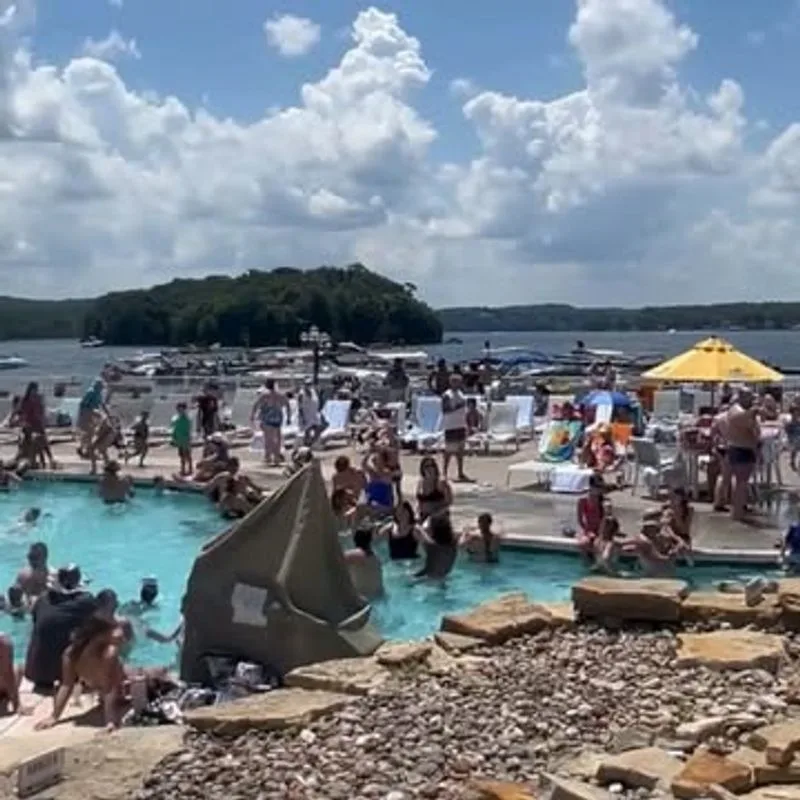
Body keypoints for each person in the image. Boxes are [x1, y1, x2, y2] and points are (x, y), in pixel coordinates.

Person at [34, 614, 130, 731]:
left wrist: (110, 721)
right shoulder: (71, 654)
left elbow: (109, 688)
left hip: (123, 681)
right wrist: (54, 717)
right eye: (114, 629)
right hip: (101, 684)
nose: (120, 633)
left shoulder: (109, 653)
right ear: (100, 635)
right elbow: (66, 685)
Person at [24, 566, 97, 690]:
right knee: (98, 632)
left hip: (36, 671)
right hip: (65, 671)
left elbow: (35, 619)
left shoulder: (42, 599)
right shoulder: (85, 602)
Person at [723, 389, 761, 521]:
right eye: (749, 397)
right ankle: (737, 512)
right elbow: (739, 418)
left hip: (745, 448)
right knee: (741, 483)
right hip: (740, 448)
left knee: (741, 483)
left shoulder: (744, 410)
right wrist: (754, 411)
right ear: (742, 397)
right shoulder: (736, 409)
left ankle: (739, 509)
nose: (751, 400)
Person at [15, 382, 56, 469]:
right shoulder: (25, 400)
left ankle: (50, 459)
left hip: (38, 423)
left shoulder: (38, 399)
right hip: (29, 424)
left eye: (36, 390)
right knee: (34, 440)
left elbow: (41, 411)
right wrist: (23, 422)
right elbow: (21, 413)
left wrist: (43, 420)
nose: (35, 391)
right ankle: (36, 460)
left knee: (44, 441)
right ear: (29, 390)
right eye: (33, 390)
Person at [252, 380, 290, 466]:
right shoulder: (280, 395)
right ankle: (276, 457)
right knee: (277, 438)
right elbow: (287, 404)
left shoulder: (265, 396)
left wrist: (253, 415)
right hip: (277, 418)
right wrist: (288, 417)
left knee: (268, 439)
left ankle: (268, 456)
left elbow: (256, 405)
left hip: (268, 418)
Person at [441, 373, 471, 482]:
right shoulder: (447, 395)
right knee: (449, 451)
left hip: (460, 424)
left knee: (460, 451)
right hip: (451, 426)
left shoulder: (460, 393)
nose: (458, 384)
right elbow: (445, 410)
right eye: (456, 382)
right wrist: (459, 406)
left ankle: (460, 472)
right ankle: (444, 472)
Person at [344, 526, 384, 600]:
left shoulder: (353, 555)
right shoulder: (375, 557)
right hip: (380, 596)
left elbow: (335, 562)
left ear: (354, 540)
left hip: (365, 598)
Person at [415, 515, 458, 579]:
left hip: (429, 578)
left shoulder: (432, 547)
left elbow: (418, 530)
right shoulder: (453, 547)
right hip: (444, 578)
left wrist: (419, 523)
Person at [362, 447, 398, 517]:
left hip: (384, 508)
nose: (375, 459)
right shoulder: (372, 472)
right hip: (372, 507)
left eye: (378, 458)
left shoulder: (387, 473)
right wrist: (369, 453)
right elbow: (363, 464)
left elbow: (383, 477)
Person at [77, 378, 108, 459]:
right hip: (87, 412)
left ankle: (84, 448)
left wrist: (107, 413)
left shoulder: (99, 394)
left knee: (91, 432)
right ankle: (87, 450)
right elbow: (83, 404)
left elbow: (102, 404)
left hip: (93, 412)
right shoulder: (91, 392)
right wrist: (87, 414)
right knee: (89, 432)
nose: (101, 388)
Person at [576, 475, 605, 560]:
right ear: (591, 486)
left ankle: (597, 564)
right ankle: (585, 565)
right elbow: (580, 520)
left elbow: (605, 521)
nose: (600, 489)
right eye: (597, 487)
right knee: (583, 544)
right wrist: (588, 532)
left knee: (598, 545)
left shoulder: (604, 501)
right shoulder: (583, 500)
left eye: (601, 487)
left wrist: (600, 534)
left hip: (601, 530)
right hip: (588, 529)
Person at [416, 456, 452, 522]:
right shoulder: (421, 483)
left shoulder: (441, 483)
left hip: (439, 517)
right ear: (422, 468)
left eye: (431, 466)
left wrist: (436, 514)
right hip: (423, 516)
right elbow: (419, 502)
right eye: (426, 466)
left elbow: (449, 502)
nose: (429, 468)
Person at [0, 634, 23, 716]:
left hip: (4, 684)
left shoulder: (3, 642)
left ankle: (6, 694)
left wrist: (16, 704)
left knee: (18, 669)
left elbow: (8, 675)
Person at [298, 381, 323, 447]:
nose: (309, 385)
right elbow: (299, 406)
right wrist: (302, 417)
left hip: (314, 414)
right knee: (307, 432)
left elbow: (316, 401)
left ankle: (311, 443)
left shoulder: (313, 391)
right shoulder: (301, 393)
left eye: (310, 384)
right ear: (304, 385)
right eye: (307, 384)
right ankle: (306, 446)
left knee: (319, 428)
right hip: (306, 415)